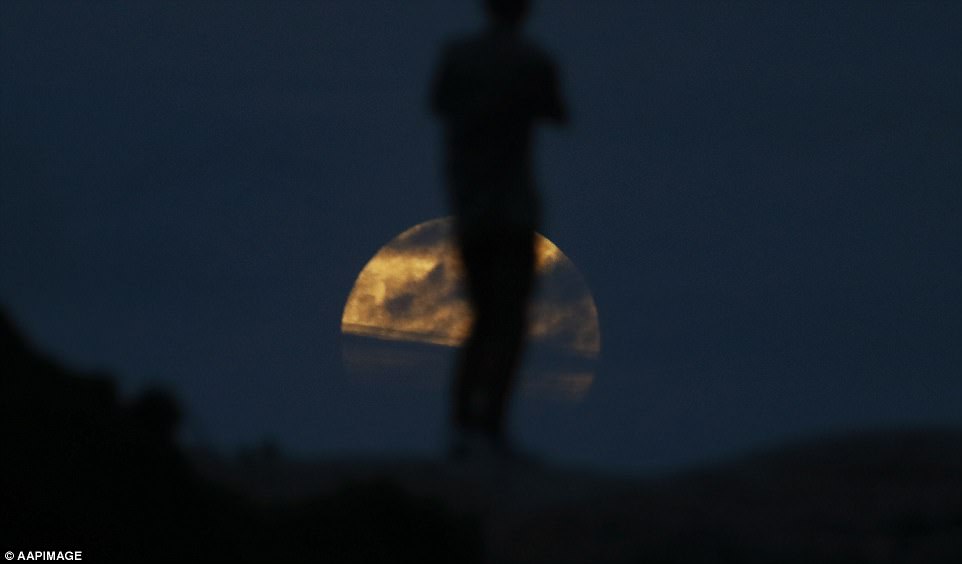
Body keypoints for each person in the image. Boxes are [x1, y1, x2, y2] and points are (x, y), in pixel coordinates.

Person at [430, 0, 566, 460]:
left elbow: (438, 104)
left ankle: (465, 426)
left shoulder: (457, 56)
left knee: (484, 317)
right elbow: (558, 112)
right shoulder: (532, 61)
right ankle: (487, 428)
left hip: (472, 209)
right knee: (507, 322)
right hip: (511, 210)